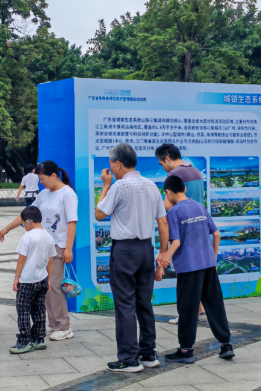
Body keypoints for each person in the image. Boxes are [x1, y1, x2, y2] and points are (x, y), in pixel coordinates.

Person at [95, 143, 169, 373]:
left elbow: (99, 213)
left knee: (125, 304)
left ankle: (129, 359)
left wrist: (105, 185)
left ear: (117, 164)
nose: (110, 169)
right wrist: (162, 252)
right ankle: (148, 354)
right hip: (146, 248)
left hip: (125, 251)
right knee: (144, 303)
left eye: (111, 165)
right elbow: (162, 222)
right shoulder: (151, 185)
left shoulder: (119, 186)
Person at [0, 160, 77, 341]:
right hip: (43, 244)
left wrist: (68, 248)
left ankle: (64, 326)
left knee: (54, 285)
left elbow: (72, 223)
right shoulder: (44, 194)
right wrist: (6, 229)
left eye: (43, 179)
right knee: (44, 285)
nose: (41, 182)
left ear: (53, 175)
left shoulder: (68, 194)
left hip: (58, 245)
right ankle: (53, 323)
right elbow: (26, 214)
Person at [158, 175, 234, 363]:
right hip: (208, 265)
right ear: (184, 189)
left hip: (189, 268)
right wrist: (213, 258)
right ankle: (226, 345)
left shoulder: (174, 212)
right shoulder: (200, 206)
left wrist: (163, 260)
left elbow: (176, 242)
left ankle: (185, 351)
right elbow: (216, 234)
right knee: (215, 305)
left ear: (168, 192)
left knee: (188, 308)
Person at [155, 143, 207, 325]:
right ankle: (200, 311)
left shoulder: (174, 175)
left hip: (182, 231)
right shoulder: (196, 172)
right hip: (199, 230)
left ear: (167, 158)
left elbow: (166, 206)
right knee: (196, 273)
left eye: (162, 163)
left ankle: (186, 315)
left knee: (185, 277)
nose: (163, 168)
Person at [9, 206, 57, 354]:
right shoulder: (49, 236)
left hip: (27, 280)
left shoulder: (28, 236)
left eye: (23, 223)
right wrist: (48, 280)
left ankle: (24, 341)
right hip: (42, 279)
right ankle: (38, 339)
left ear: (29, 221)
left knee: (23, 310)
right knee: (39, 310)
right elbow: (50, 261)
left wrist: (16, 278)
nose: (24, 226)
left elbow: (21, 259)